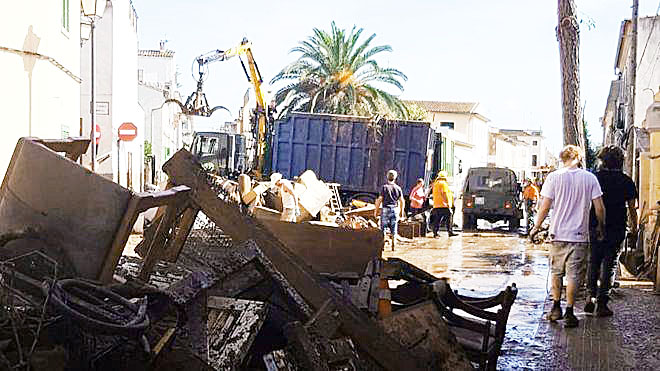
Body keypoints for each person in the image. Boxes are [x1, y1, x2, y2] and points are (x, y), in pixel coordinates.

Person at [530, 145, 605, 328]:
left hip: (557, 234)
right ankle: (570, 311)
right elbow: (600, 208)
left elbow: (545, 206)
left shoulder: (553, 178)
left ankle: (556, 307)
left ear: (562, 158)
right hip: (579, 235)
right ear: (578, 158)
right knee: (574, 275)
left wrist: (536, 227)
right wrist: (601, 227)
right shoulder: (590, 179)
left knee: (556, 271)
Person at [585, 146, 637, 317]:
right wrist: (635, 227)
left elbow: (587, 204)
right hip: (617, 227)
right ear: (620, 161)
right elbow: (631, 208)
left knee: (594, 260)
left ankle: (590, 296)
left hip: (595, 225)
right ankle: (602, 303)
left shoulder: (595, 179)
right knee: (610, 264)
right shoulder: (626, 181)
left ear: (603, 160)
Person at [374, 170, 405, 251]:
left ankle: (382, 247)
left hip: (385, 209)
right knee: (394, 229)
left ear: (387, 177)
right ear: (395, 178)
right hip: (395, 210)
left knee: (383, 229)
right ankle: (393, 247)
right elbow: (402, 201)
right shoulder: (398, 188)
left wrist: (376, 212)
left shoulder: (384, 187)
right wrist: (401, 213)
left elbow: (379, 200)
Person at [430, 171, 457, 238]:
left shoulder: (436, 184)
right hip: (444, 205)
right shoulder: (443, 184)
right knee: (449, 218)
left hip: (436, 205)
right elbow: (444, 193)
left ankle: (435, 233)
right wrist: (448, 203)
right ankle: (450, 232)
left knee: (437, 219)